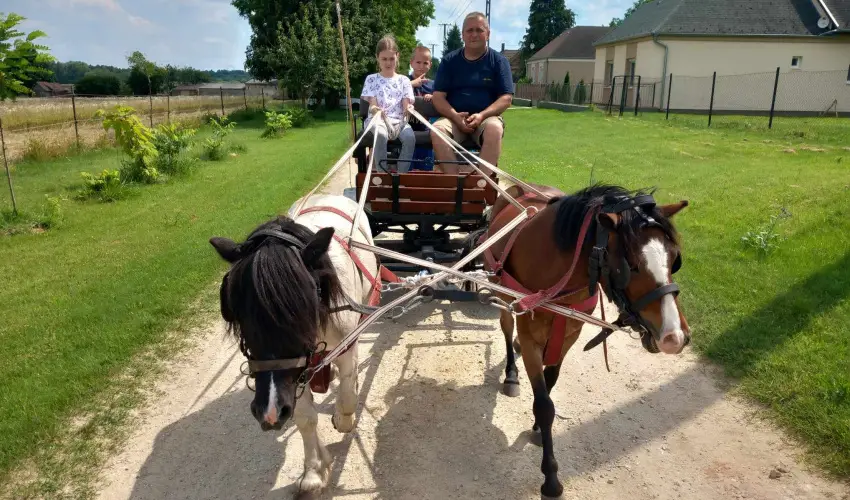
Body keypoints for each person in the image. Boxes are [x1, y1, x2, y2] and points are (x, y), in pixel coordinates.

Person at [431, 12, 514, 175]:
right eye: (469, 30)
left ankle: (480, 184)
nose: (474, 34)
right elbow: (438, 97)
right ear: (462, 34)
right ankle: (455, 183)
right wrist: (455, 117)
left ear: (488, 34)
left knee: (495, 129)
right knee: (437, 130)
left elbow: (506, 98)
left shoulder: (499, 61)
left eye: (479, 30)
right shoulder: (449, 61)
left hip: (486, 119)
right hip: (453, 118)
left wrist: (481, 116)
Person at [360, 35, 415, 173]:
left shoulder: (404, 80)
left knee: (410, 138)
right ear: (377, 58)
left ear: (397, 56)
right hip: (378, 120)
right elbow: (372, 105)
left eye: (391, 58)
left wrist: (408, 109)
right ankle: (382, 175)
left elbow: (405, 105)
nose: (388, 63)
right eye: (384, 59)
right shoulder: (371, 79)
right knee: (381, 135)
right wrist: (374, 109)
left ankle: (401, 177)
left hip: (399, 121)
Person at [408, 45, 436, 171]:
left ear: (430, 64)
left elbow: (443, 98)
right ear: (411, 63)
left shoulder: (433, 85)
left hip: (425, 129)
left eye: (425, 63)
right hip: (406, 128)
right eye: (418, 62)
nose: (421, 66)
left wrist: (434, 97)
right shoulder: (403, 81)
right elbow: (394, 91)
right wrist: (411, 84)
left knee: (425, 167)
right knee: (407, 165)